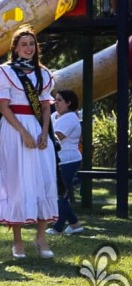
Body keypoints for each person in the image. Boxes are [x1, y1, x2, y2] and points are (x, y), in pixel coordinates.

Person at [0, 25, 57, 259]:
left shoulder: (44, 73)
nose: (29, 48)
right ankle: (17, 241)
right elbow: (3, 107)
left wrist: (44, 132)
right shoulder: (4, 72)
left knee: (43, 179)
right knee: (16, 179)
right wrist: (23, 133)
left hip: (38, 128)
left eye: (32, 44)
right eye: (24, 44)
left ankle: (41, 236)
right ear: (15, 48)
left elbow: (46, 106)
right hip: (13, 129)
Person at [48, 90, 84, 235]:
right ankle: (73, 224)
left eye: (60, 100)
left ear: (69, 103)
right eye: (55, 99)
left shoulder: (70, 119)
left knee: (60, 193)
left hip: (68, 160)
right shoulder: (53, 116)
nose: (56, 103)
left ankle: (61, 226)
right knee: (59, 193)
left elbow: (56, 137)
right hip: (56, 160)